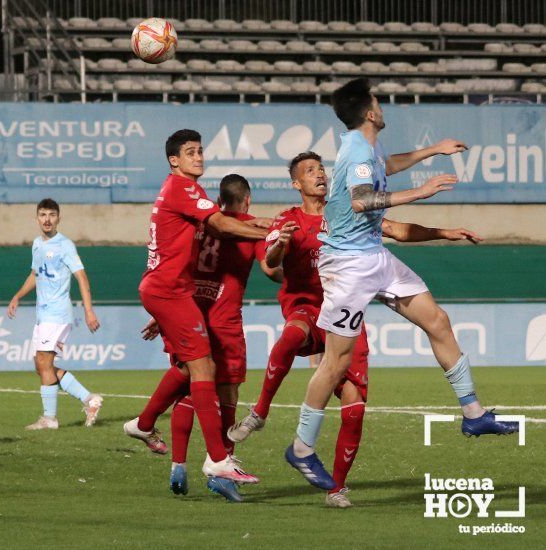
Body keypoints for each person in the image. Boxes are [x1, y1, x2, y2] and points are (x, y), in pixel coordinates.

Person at [283, 79, 518, 492]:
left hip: (375, 256)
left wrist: (432, 150)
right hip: (348, 267)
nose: (382, 104)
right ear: (370, 112)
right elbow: (359, 198)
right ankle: (301, 448)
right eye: (378, 100)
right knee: (336, 362)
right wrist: (420, 192)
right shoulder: (356, 149)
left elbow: (384, 166)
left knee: (437, 321)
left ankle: (474, 413)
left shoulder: (365, 146)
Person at [231, 151, 485, 507]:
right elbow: (270, 262)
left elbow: (395, 229)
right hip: (307, 306)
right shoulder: (286, 220)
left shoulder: (348, 212)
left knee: (354, 403)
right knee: (292, 335)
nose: (318, 175)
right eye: (309, 171)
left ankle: (337, 488)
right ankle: (260, 413)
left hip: (347, 311)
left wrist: (444, 232)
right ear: (296, 183)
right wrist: (281, 246)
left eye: (321, 169)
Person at [124, 129, 295, 486]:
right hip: (171, 292)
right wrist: (266, 231)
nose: (198, 157)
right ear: (174, 160)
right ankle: (218, 459)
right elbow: (220, 224)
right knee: (204, 369)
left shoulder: (191, 194)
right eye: (190, 152)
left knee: (195, 369)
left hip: (174, 293)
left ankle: (146, 426)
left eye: (200, 151)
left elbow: (214, 222)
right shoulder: (181, 188)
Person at [142, 174, 281, 501]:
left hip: (186, 313)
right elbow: (270, 270)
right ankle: (221, 465)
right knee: (227, 392)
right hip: (224, 321)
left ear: (219, 199)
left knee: (190, 389)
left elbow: (179, 266)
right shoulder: (249, 226)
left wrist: (161, 311)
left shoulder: (201, 224)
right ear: (247, 200)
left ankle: (177, 464)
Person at [8, 198, 103, 430]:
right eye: (42, 214)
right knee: (41, 365)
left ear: (59, 218)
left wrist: (88, 311)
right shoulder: (37, 244)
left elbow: (82, 277)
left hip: (58, 313)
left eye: (51, 215)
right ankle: (89, 399)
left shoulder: (65, 245)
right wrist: (18, 296)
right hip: (43, 315)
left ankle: (50, 418)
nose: (47, 219)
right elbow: (35, 274)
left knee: (44, 362)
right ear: (37, 218)